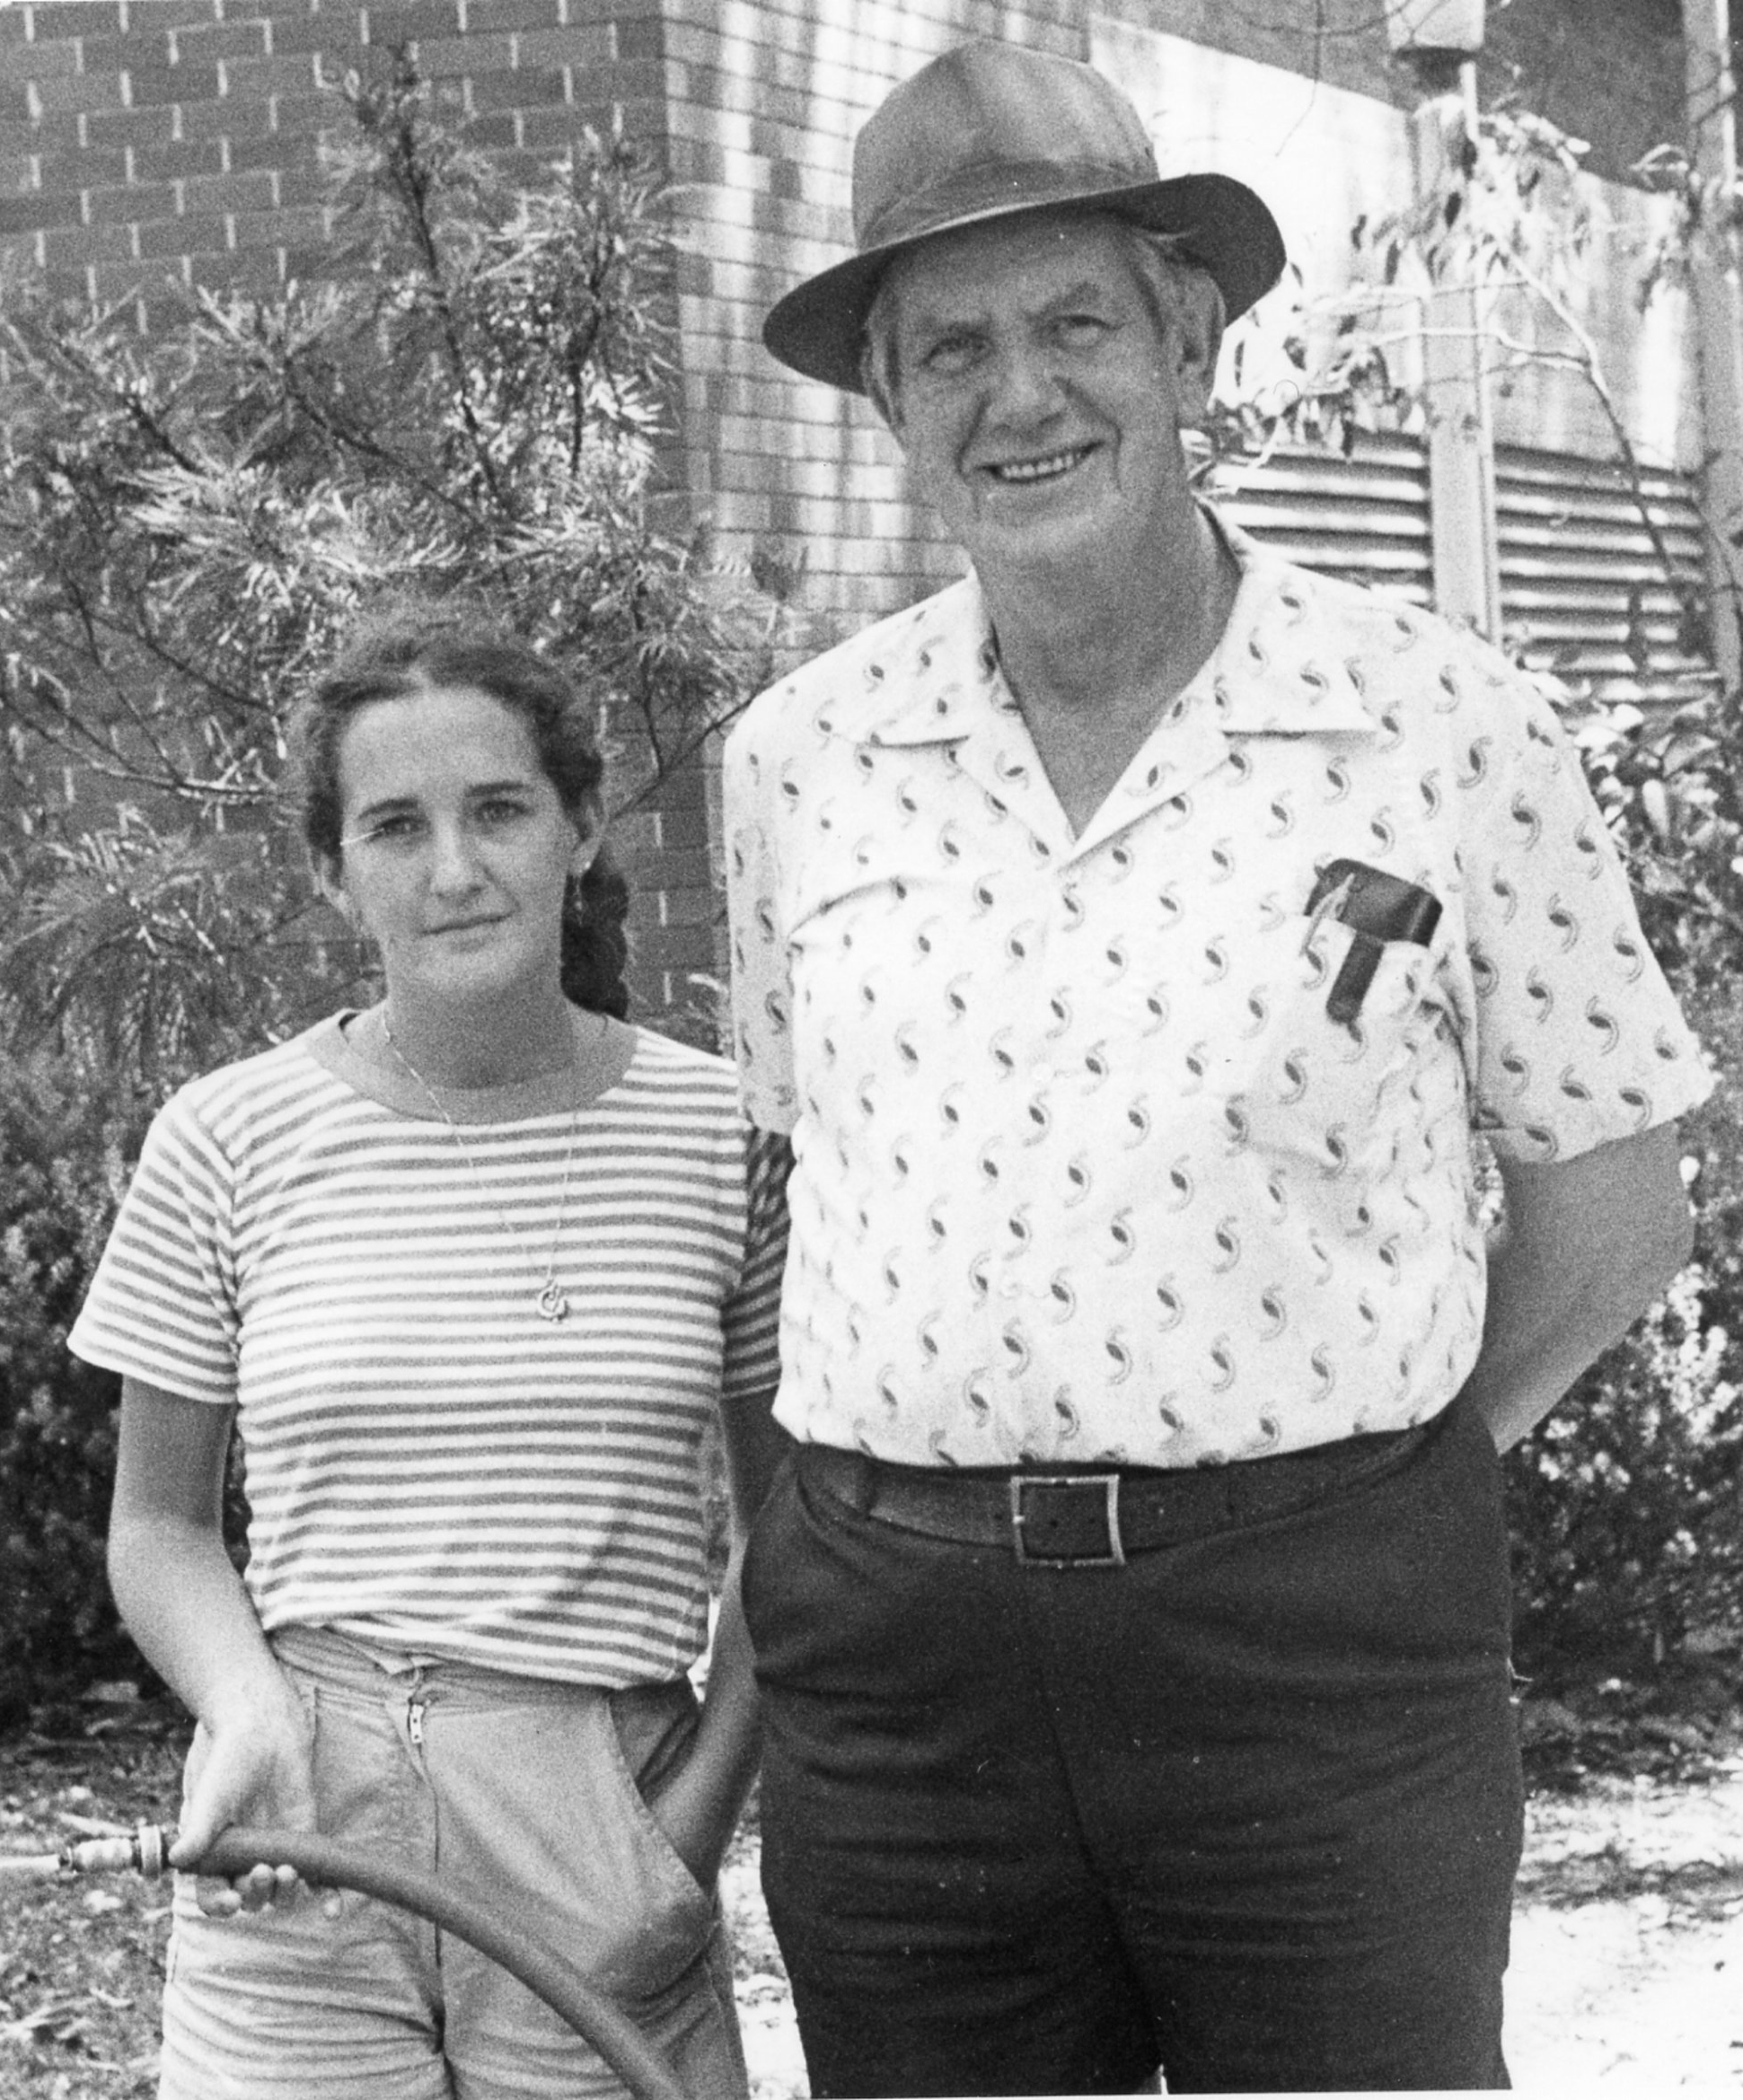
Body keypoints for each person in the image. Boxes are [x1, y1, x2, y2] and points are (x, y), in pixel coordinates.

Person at [722, 38, 1712, 2098]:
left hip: (1314, 1654)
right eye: (951, 349)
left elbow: (1615, 1204)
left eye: (1075, 324)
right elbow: (812, 1167)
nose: (1020, 394)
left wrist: (1372, 1480)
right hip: (901, 1685)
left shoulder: (1442, 724)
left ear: (1188, 346)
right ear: (888, 402)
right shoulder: (800, 761)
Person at [70, 608, 788, 2099]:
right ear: (333, 872)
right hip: (300, 1816)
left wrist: (689, 1828)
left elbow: (791, 1530)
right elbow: (159, 1527)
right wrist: (245, 1708)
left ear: (580, 828)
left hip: (600, 1815)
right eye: (395, 826)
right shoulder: (228, 1136)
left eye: (500, 810)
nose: (454, 870)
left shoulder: (722, 1134)